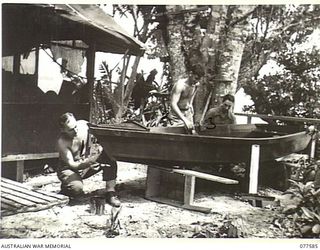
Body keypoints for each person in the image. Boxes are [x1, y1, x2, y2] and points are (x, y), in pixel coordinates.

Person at [56, 112, 120, 207]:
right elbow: (72, 164)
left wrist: (99, 148)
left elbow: (99, 137)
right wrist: (89, 162)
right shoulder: (62, 142)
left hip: (86, 163)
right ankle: (67, 189)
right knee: (76, 188)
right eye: (71, 130)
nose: (76, 130)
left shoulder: (84, 125)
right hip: (69, 169)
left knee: (108, 154)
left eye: (75, 126)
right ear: (63, 130)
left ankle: (110, 192)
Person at [168, 66, 203, 132]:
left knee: (191, 134)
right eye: (196, 78)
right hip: (176, 115)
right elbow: (173, 104)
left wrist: (190, 104)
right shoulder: (180, 85)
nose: (196, 81)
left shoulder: (196, 84)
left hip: (187, 113)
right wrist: (184, 119)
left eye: (199, 79)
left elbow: (192, 96)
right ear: (190, 73)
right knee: (175, 135)